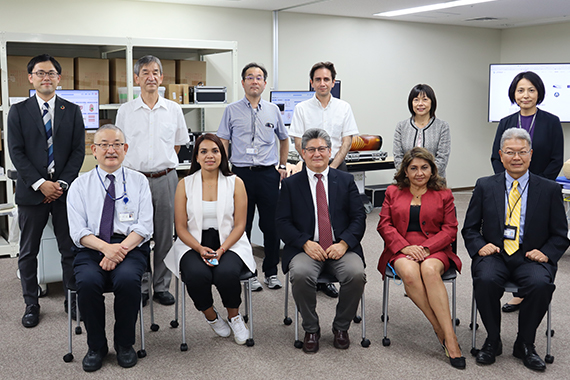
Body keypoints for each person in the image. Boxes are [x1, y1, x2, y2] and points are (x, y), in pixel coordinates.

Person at [463, 128, 569, 371]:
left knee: (540, 283)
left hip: (532, 255)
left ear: (531, 154)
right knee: (485, 278)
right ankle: (493, 339)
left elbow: (560, 234)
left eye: (522, 152)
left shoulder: (550, 189)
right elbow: (469, 228)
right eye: (510, 152)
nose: (516, 157)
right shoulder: (485, 186)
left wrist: (546, 253)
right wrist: (480, 246)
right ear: (501, 155)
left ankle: (525, 343)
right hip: (495, 253)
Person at [67, 125, 153, 372]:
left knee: (127, 280)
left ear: (125, 149)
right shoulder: (80, 185)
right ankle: (96, 346)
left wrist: (118, 251)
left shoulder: (139, 182)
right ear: (94, 150)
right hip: (92, 246)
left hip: (130, 246)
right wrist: (106, 249)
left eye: (116, 144)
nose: (111, 150)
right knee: (87, 282)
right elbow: (78, 232)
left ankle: (125, 344)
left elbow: (145, 226)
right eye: (104, 144)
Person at [8, 54, 85, 327]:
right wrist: (41, 185)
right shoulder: (18, 111)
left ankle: (72, 299)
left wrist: (61, 184)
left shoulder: (72, 111)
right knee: (28, 251)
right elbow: (16, 153)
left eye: (51, 73)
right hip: (32, 193)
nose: (46, 78)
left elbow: (78, 152)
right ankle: (31, 303)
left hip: (65, 193)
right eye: (40, 73)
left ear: (58, 78)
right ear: (31, 78)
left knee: (70, 248)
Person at [276, 128, 366, 354]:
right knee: (301, 274)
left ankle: (341, 327)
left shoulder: (345, 180)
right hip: (305, 249)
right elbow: (282, 222)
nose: (317, 154)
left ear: (330, 151)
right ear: (303, 153)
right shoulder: (291, 184)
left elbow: (359, 217)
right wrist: (305, 243)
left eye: (322, 149)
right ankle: (311, 328)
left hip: (341, 248)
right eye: (311, 149)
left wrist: (344, 244)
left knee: (356, 274)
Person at [377, 147, 464, 369]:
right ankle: (441, 329)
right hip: (401, 247)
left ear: (432, 170)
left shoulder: (444, 193)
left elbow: (450, 229)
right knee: (409, 274)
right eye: (413, 168)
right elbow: (384, 225)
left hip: (435, 248)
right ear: (405, 171)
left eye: (424, 167)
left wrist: (426, 249)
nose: (419, 173)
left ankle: (449, 338)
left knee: (429, 271)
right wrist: (405, 247)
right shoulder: (392, 191)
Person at [164, 134, 255, 345]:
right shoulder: (184, 184)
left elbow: (240, 225)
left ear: (222, 155)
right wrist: (198, 247)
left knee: (227, 273)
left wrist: (222, 250)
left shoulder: (236, 182)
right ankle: (211, 317)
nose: (209, 156)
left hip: (229, 240)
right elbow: (180, 227)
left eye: (215, 151)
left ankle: (234, 317)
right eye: (203, 151)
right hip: (193, 241)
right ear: (196, 157)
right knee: (196, 275)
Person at [116, 55, 189, 306]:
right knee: (138, 234)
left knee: (165, 234)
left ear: (162, 77)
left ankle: (161, 286)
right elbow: (119, 146)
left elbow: (177, 145)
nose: (151, 77)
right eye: (145, 72)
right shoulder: (125, 111)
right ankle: (142, 285)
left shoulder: (173, 109)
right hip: (134, 181)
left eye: (155, 72)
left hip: (165, 179)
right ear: (136, 78)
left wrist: (159, 166)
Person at [490, 71, 564, 313]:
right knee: (512, 237)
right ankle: (519, 289)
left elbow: (556, 159)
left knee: (535, 238)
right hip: (509, 190)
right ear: (514, 93)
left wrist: (537, 186)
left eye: (531, 90)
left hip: (540, 193)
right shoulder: (506, 122)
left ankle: (527, 290)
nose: (525, 95)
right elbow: (496, 156)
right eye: (521, 90)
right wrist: (509, 182)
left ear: (539, 93)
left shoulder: (551, 121)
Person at [289, 61, 359, 297]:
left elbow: (347, 140)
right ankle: (314, 267)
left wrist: (331, 167)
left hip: (337, 167)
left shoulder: (344, 107)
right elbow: (298, 142)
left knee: (337, 215)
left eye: (326, 79)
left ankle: (333, 265)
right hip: (310, 166)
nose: (322, 83)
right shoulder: (301, 108)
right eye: (317, 79)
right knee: (312, 215)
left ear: (333, 82)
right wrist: (314, 164)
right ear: (312, 83)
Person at [217, 62, 289, 291]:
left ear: (265, 84)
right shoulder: (231, 110)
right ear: (243, 83)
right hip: (240, 175)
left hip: (268, 174)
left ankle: (271, 272)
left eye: (259, 77)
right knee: (242, 225)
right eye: (250, 77)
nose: (254, 81)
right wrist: (224, 171)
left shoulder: (273, 110)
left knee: (271, 226)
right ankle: (247, 272)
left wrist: (283, 165)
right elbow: (223, 141)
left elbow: (284, 138)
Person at [393, 84, 451, 177]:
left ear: (432, 102)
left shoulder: (442, 126)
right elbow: (398, 157)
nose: (420, 104)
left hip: (435, 181)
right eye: (416, 100)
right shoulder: (401, 126)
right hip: (407, 182)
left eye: (425, 99)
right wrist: (410, 176)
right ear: (411, 103)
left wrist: (424, 176)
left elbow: (442, 159)